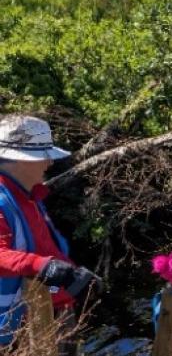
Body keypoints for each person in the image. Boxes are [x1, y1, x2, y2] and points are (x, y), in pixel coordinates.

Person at [0, 115, 101, 355]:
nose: (49, 163)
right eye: (43, 156)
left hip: (49, 312)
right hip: (16, 329)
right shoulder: (3, 200)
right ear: (20, 160)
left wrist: (74, 275)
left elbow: (46, 248)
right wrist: (43, 266)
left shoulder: (28, 196)